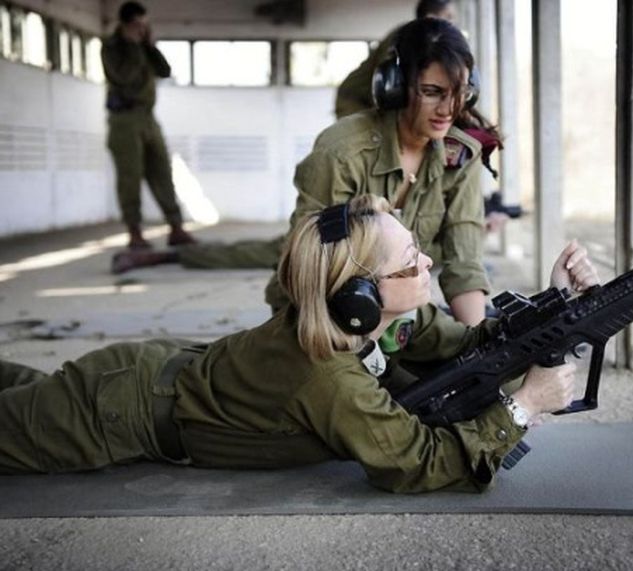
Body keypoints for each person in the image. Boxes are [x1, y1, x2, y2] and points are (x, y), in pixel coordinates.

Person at [0, 195, 600, 493]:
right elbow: (416, 462)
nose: (428, 263)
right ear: (359, 297)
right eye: (409, 263)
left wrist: (553, 304)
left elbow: (463, 350)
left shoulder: (372, 320)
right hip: (117, 409)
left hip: (153, 372)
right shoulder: (327, 375)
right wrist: (524, 407)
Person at [112, 18, 495, 327]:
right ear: (395, 86)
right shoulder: (342, 151)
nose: (448, 108)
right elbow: (310, 270)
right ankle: (174, 257)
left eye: (458, 92)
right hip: (322, 313)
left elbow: (464, 263)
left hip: (394, 313)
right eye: (431, 91)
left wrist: (478, 344)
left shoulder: (460, 155)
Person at [102, 1, 195, 250]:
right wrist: (132, 45)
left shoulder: (143, 45)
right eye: (138, 25)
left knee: (162, 170)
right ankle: (134, 232)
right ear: (125, 24)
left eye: (145, 25)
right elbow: (124, 77)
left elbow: (164, 71)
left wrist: (149, 45)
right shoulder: (112, 47)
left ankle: (175, 227)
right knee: (130, 177)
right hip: (124, 120)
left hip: (148, 117)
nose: (142, 29)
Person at [335, 0, 457, 119]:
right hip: (356, 100)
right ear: (431, 17)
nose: (453, 23)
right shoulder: (406, 36)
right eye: (449, 16)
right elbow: (386, 79)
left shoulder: (428, 41)